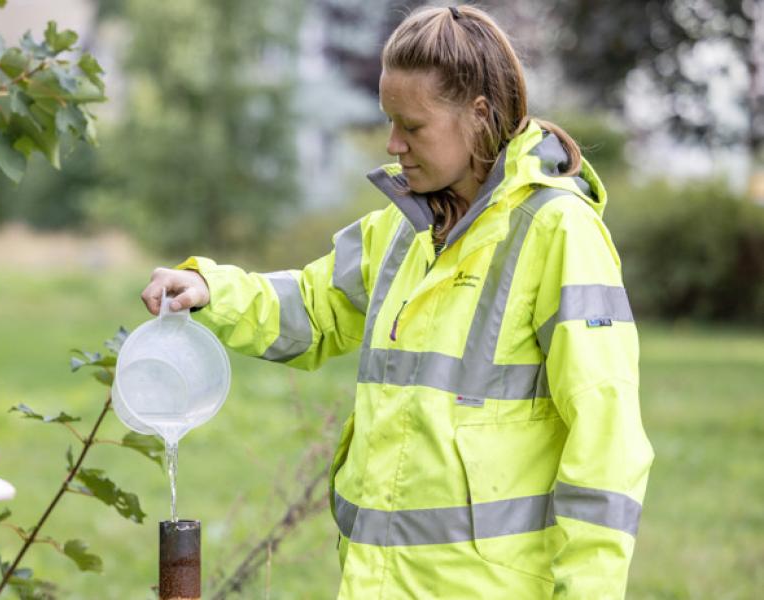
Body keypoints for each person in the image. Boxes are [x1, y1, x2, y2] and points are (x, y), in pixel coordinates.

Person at [142, 5, 653, 598]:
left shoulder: (559, 233)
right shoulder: (401, 229)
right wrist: (213, 290)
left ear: (479, 116)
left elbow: (606, 441)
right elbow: (315, 305)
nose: (393, 144)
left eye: (412, 126)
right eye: (389, 121)